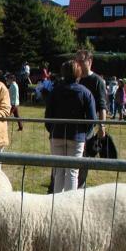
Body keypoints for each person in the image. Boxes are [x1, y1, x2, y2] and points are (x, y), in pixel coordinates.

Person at [45, 60, 97, 193]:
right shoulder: (85, 93)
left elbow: (48, 116)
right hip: (77, 136)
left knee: (58, 172)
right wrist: (84, 134)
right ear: (79, 73)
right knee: (73, 172)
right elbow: (92, 119)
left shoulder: (55, 91)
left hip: (57, 135)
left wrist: (52, 130)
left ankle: (57, 201)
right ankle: (70, 202)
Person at [75, 49, 108, 188]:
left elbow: (102, 106)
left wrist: (102, 126)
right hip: (72, 126)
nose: (78, 63)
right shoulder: (75, 78)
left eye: (81, 61)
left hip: (87, 128)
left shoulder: (97, 81)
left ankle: (80, 188)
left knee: (83, 160)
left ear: (89, 61)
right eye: (76, 60)